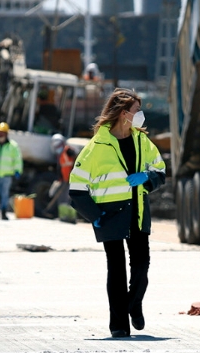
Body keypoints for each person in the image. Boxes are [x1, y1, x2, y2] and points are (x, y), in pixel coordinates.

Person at [69, 88, 166, 338]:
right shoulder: (96, 147)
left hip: (137, 212)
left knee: (142, 267)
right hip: (109, 215)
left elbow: (161, 170)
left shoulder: (141, 140)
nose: (141, 114)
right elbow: (76, 188)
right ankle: (119, 325)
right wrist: (95, 216)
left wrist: (148, 178)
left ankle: (134, 303)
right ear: (124, 113)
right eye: (137, 110)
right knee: (117, 269)